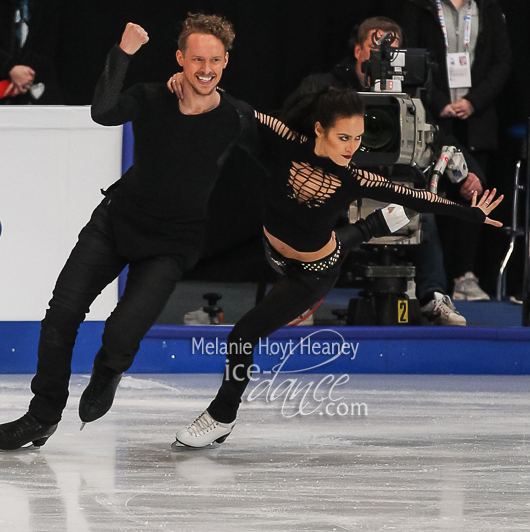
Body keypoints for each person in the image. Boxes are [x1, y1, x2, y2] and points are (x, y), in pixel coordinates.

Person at [0, 13, 265, 451]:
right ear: (180, 58)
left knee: (120, 336)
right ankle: (41, 416)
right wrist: (124, 53)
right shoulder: (153, 96)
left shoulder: (238, 116)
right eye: (196, 59)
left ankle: (108, 370)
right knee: (61, 316)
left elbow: (283, 148)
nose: (205, 69)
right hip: (116, 223)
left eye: (214, 60)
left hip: (173, 244)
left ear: (226, 61)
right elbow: (103, 111)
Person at [172, 86, 503, 448]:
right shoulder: (284, 142)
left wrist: (471, 214)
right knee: (361, 230)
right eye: (343, 137)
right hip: (273, 250)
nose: (351, 148)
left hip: (313, 271)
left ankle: (222, 416)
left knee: (242, 336)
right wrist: (203, 85)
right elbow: (242, 110)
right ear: (319, 130)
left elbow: (419, 197)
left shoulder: (354, 177)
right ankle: (376, 224)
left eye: (358, 139)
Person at [284, 16, 483, 325]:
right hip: (338, 183)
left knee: (423, 208)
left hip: (393, 185)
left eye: (393, 49)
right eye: (376, 47)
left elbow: (439, 138)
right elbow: (292, 126)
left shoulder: (409, 97)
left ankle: (433, 297)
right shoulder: (327, 87)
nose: (384, 56)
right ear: (358, 50)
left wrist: (469, 173)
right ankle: (301, 299)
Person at [401, 0, 512, 300]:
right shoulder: (419, 0)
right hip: (431, 112)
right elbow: (408, 57)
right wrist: (437, 103)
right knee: (424, 191)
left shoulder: (489, 1)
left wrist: (474, 101)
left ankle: (464, 275)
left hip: (475, 116)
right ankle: (419, 276)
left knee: (472, 186)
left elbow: (502, 61)